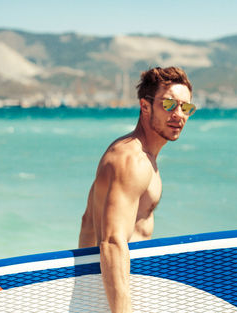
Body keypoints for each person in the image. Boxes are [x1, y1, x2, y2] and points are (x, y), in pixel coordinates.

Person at [78, 67, 196, 313]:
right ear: (145, 106)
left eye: (186, 108)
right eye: (169, 105)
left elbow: (90, 222)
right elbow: (111, 242)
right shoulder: (130, 159)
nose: (178, 114)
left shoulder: (143, 156)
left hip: (109, 291)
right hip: (106, 297)